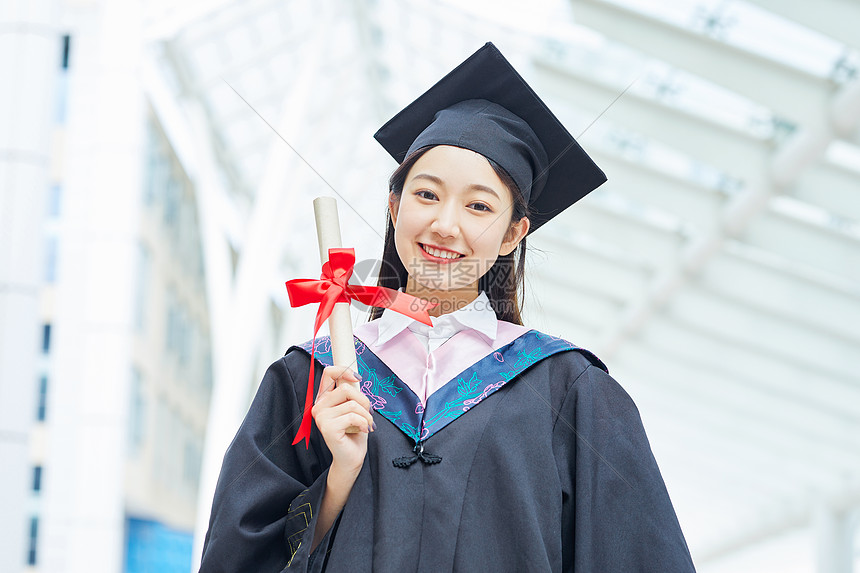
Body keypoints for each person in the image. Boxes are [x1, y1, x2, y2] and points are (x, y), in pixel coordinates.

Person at [199, 42, 696, 572]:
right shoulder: (310, 378)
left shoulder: (571, 389)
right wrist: (338, 479)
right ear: (394, 208)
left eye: (479, 206)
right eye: (427, 195)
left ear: (513, 233)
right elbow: (238, 558)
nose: (445, 225)